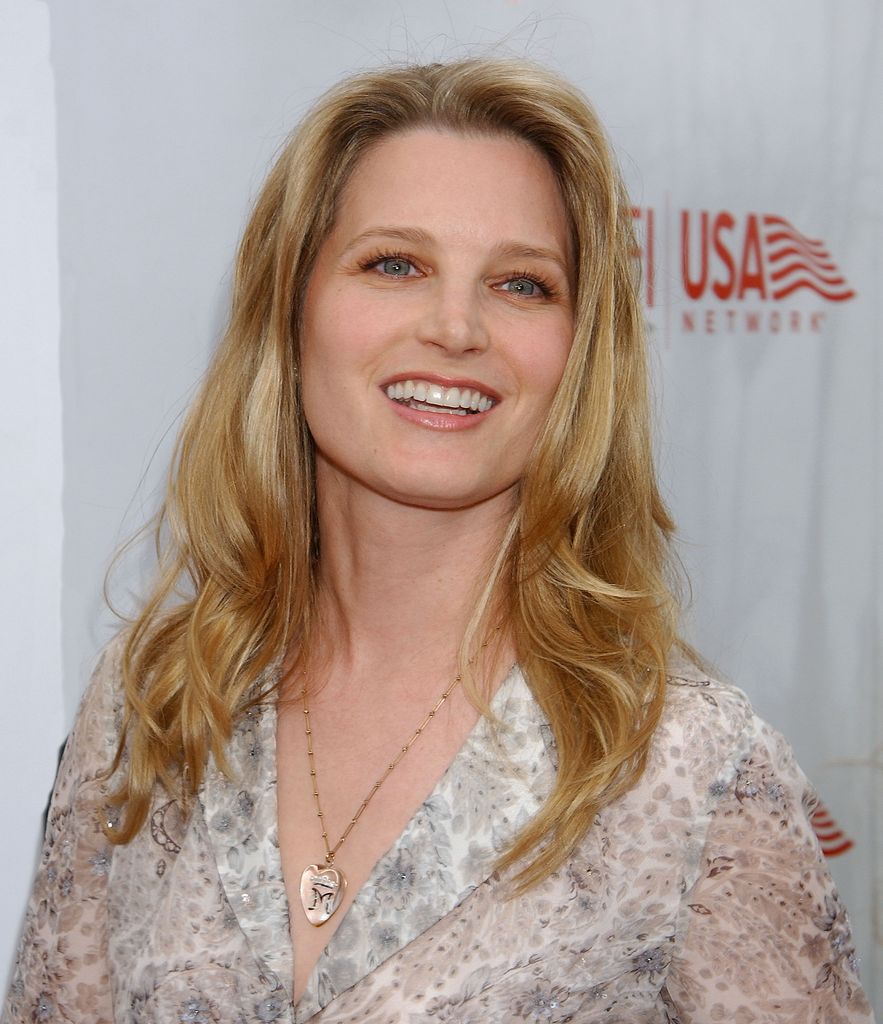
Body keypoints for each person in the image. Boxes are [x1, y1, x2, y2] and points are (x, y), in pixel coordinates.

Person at [2, 58, 874, 1024]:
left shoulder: (686, 770)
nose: (456, 326)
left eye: (520, 284)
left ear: (579, 353)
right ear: (289, 313)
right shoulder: (155, 703)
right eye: (394, 265)